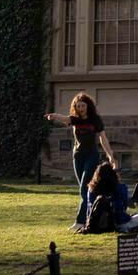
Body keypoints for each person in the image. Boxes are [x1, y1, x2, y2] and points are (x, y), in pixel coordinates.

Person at [45, 93, 118, 230]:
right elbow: (65, 119)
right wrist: (54, 116)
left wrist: (110, 155)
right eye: (78, 106)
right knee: (86, 189)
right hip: (78, 156)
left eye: (83, 105)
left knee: (84, 190)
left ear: (88, 106)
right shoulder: (75, 120)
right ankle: (92, 215)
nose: (81, 108)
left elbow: (103, 138)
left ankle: (80, 221)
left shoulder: (95, 120)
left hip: (91, 156)